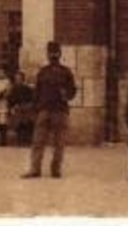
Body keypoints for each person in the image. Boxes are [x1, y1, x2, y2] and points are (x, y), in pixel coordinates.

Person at [24, 41, 77, 178]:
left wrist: (66, 95)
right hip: (45, 110)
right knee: (38, 141)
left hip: (59, 111)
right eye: (51, 53)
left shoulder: (66, 72)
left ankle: (55, 169)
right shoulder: (43, 72)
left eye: (55, 53)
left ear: (59, 54)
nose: (53, 56)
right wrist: (35, 110)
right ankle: (35, 169)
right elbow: (37, 93)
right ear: (48, 55)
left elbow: (73, 91)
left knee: (58, 143)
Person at [8, 70, 35, 146]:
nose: (18, 80)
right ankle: (20, 140)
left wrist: (28, 105)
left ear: (23, 79)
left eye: (19, 79)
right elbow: (10, 99)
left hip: (26, 109)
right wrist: (12, 106)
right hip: (18, 109)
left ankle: (27, 140)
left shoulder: (27, 89)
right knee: (18, 125)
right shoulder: (13, 89)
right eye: (16, 79)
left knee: (28, 124)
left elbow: (32, 99)